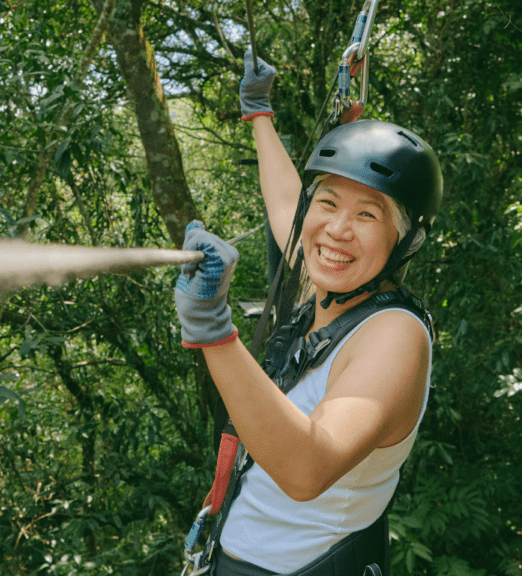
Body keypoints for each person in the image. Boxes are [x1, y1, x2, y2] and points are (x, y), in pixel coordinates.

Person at [173, 48, 443, 576]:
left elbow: (306, 467)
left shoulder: (393, 335)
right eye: (328, 203)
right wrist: (259, 115)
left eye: (368, 214)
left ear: (404, 240)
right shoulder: (325, 284)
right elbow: (286, 207)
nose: (338, 230)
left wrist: (213, 330)